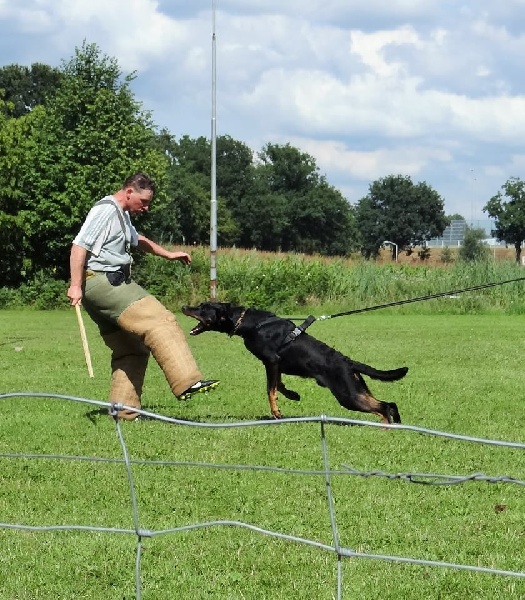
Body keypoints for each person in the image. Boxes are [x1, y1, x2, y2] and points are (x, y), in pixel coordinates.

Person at [67, 172, 219, 420]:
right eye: (143, 202)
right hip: (105, 283)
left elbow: (139, 240)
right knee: (160, 321)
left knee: (131, 349)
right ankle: (187, 381)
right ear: (129, 192)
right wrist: (75, 285)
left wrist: (168, 254)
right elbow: (79, 246)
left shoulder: (122, 214)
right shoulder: (106, 209)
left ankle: (124, 412)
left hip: (100, 286)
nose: (146, 208)